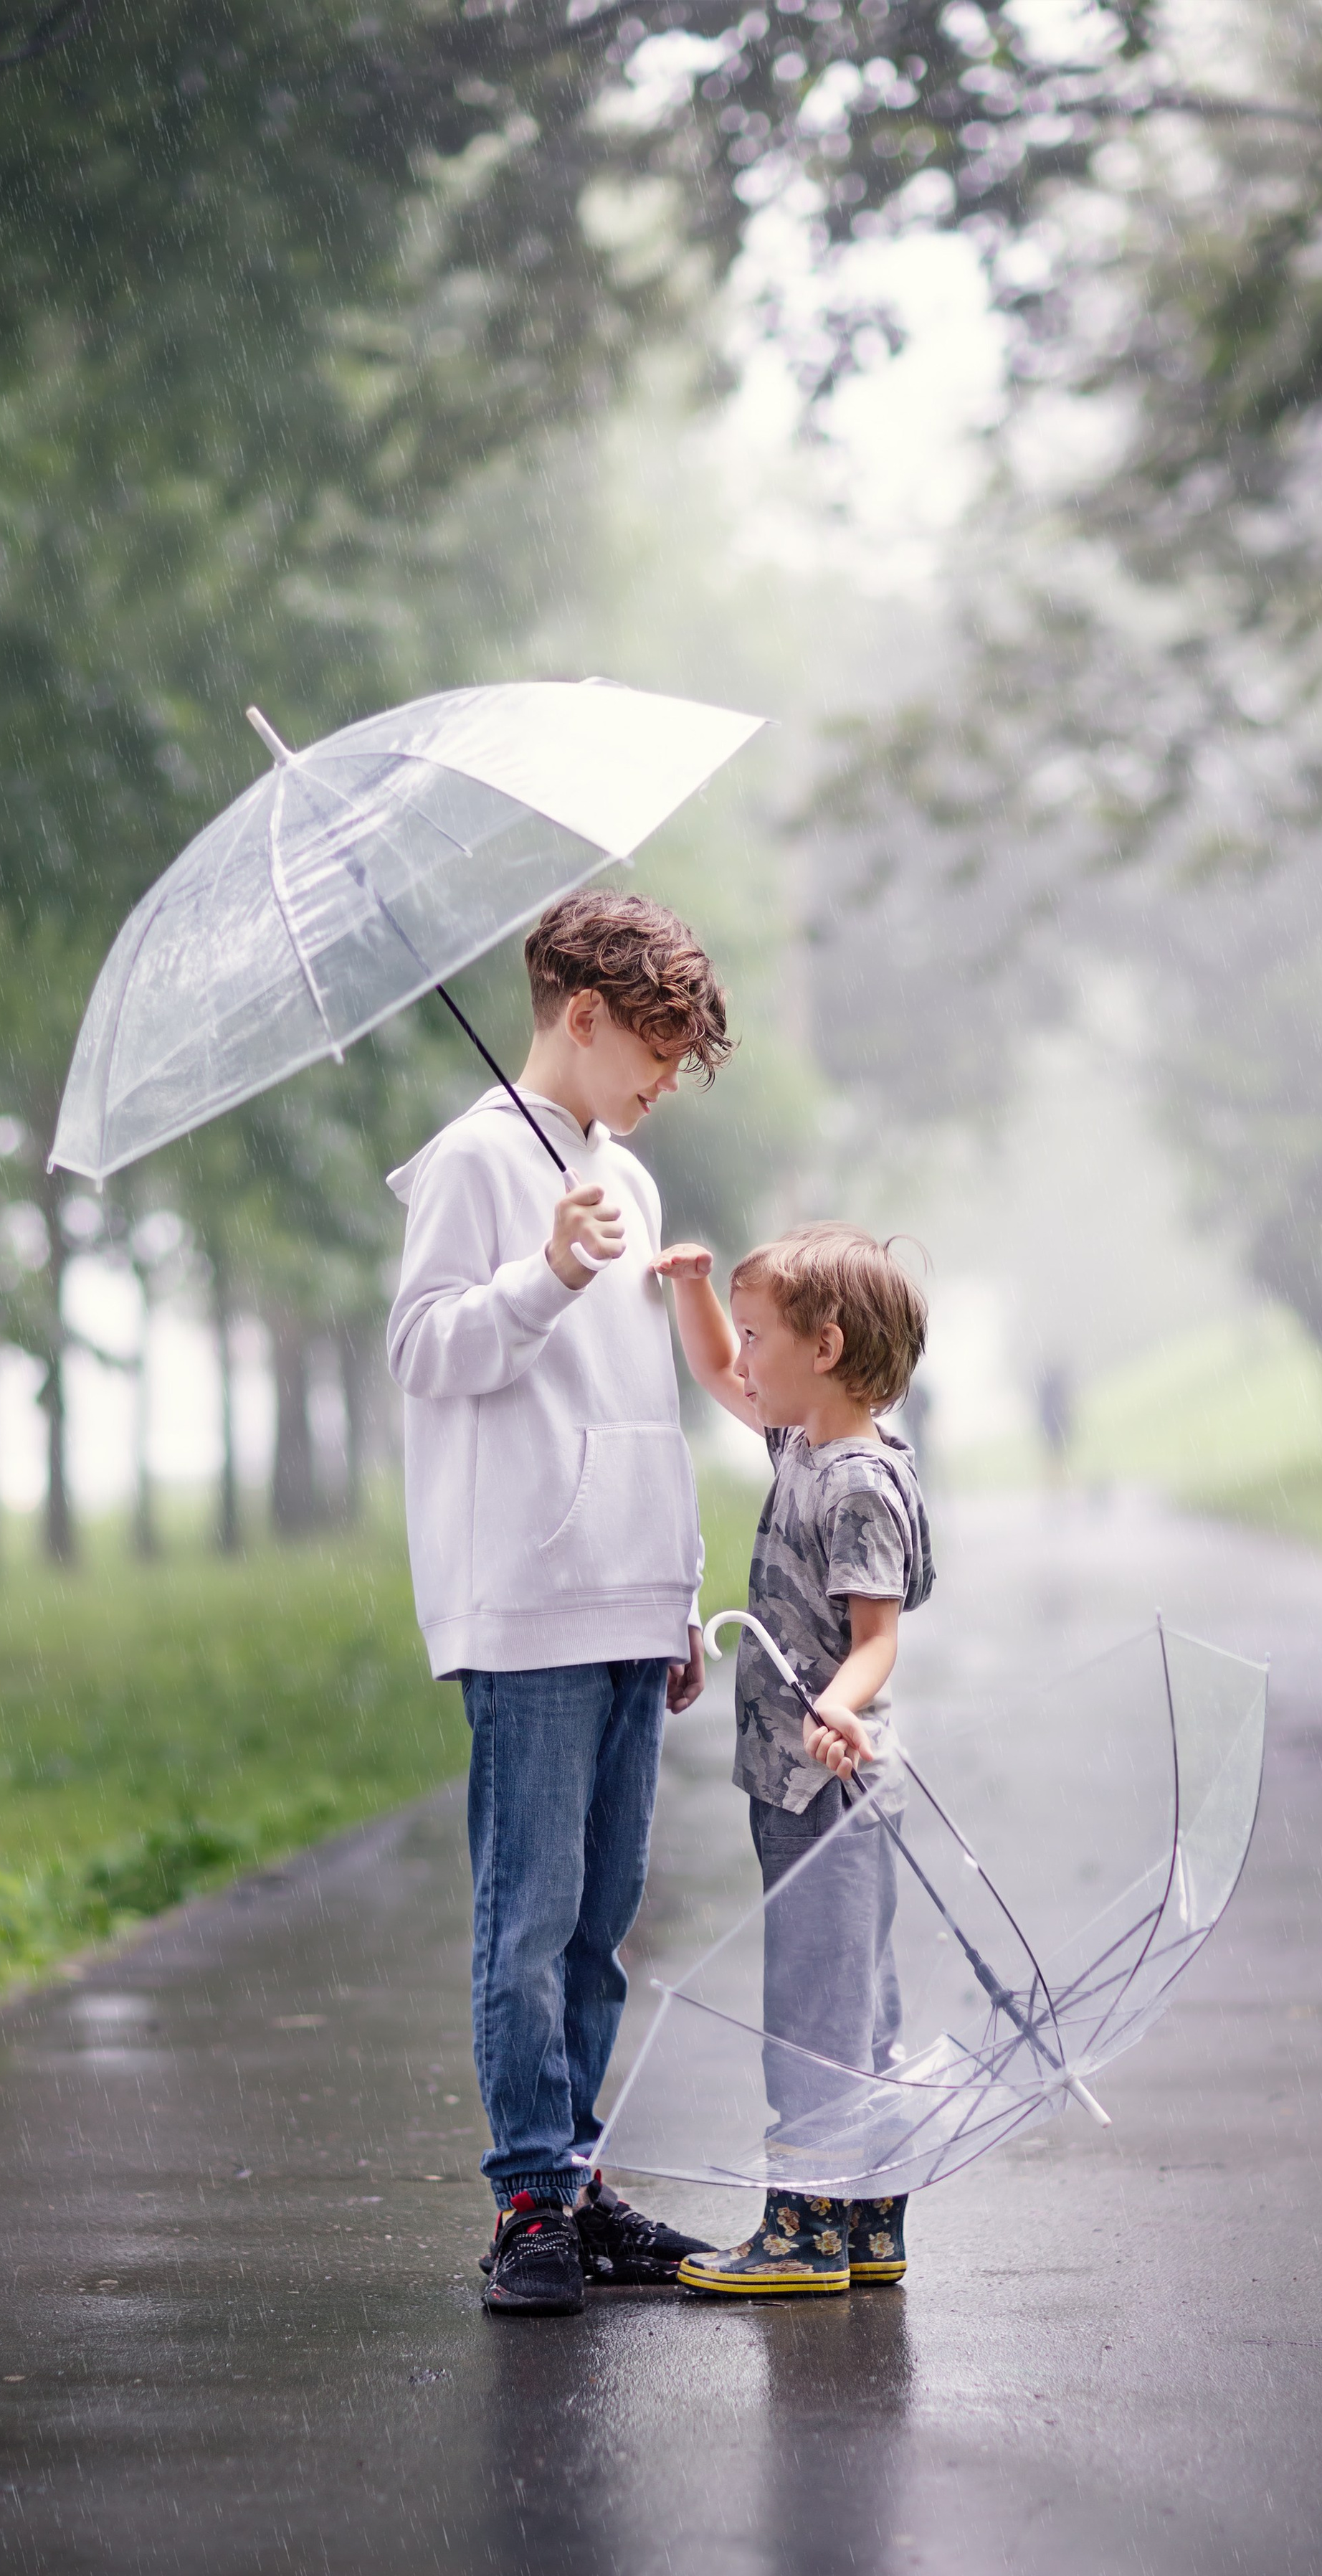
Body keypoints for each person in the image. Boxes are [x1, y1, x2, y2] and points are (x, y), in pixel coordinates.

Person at [386, 888, 728, 2317]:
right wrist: (540, 1271)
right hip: (524, 1598)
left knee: (601, 1922)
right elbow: (424, 1351)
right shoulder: (473, 1164)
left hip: (624, 1595)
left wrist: (681, 1589)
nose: (664, 1076)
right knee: (525, 1916)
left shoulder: (625, 1180)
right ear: (576, 1016)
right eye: (652, 1042)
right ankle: (528, 2195)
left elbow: (634, 1398)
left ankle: (582, 2181)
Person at [652, 1223, 934, 2296]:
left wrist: (835, 1708)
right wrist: (693, 1291)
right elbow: (723, 1373)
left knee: (821, 2006)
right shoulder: (807, 1442)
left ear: (825, 1347)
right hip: (800, 1782)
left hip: (831, 1783)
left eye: (762, 1336)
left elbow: (878, 1640)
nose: (744, 1359)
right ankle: (869, 2217)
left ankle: (808, 2229)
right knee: (854, 1995)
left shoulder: (858, 1481)